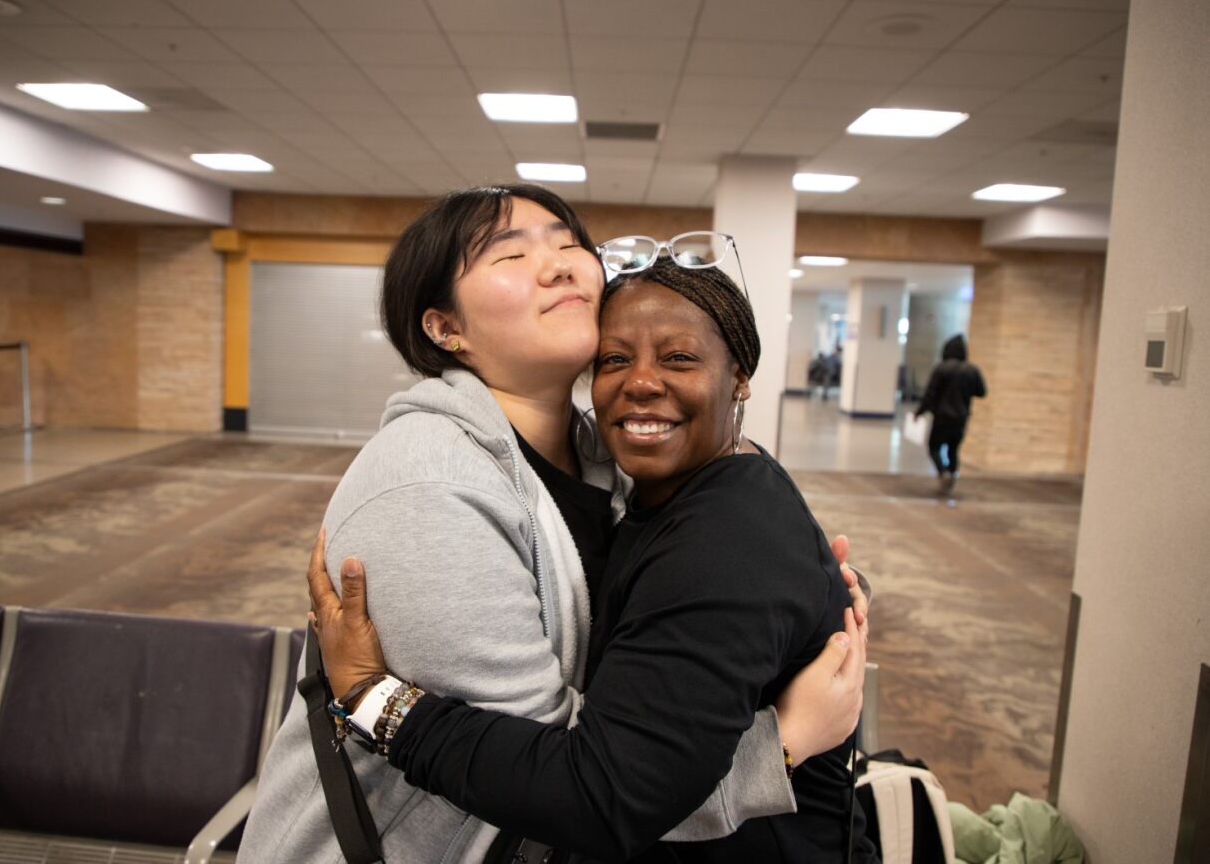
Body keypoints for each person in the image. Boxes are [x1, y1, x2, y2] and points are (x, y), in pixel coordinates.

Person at [239, 184, 869, 863]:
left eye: (569, 243)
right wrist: (779, 744)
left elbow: (703, 583)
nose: (562, 264)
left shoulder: (609, 462)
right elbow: (574, 788)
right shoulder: (428, 483)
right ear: (445, 328)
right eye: (509, 253)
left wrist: (794, 598)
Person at [916, 334, 987, 493]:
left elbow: (930, 393)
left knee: (934, 446)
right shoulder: (972, 370)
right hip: (961, 418)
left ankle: (943, 472)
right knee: (953, 449)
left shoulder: (942, 368)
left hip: (942, 417)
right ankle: (952, 474)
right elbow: (982, 392)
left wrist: (920, 412)